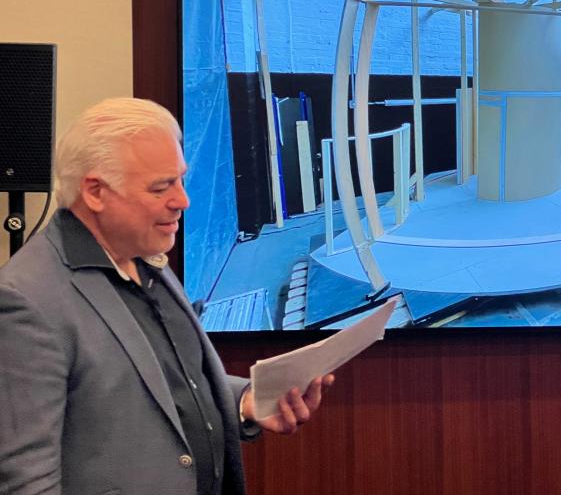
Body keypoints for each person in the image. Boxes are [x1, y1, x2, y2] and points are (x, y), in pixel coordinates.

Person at [0, 97, 333, 495]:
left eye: (179, 179)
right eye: (161, 187)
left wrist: (248, 400)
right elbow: (26, 481)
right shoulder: (27, 301)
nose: (182, 201)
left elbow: (168, 383)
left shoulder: (144, 255)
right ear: (94, 192)